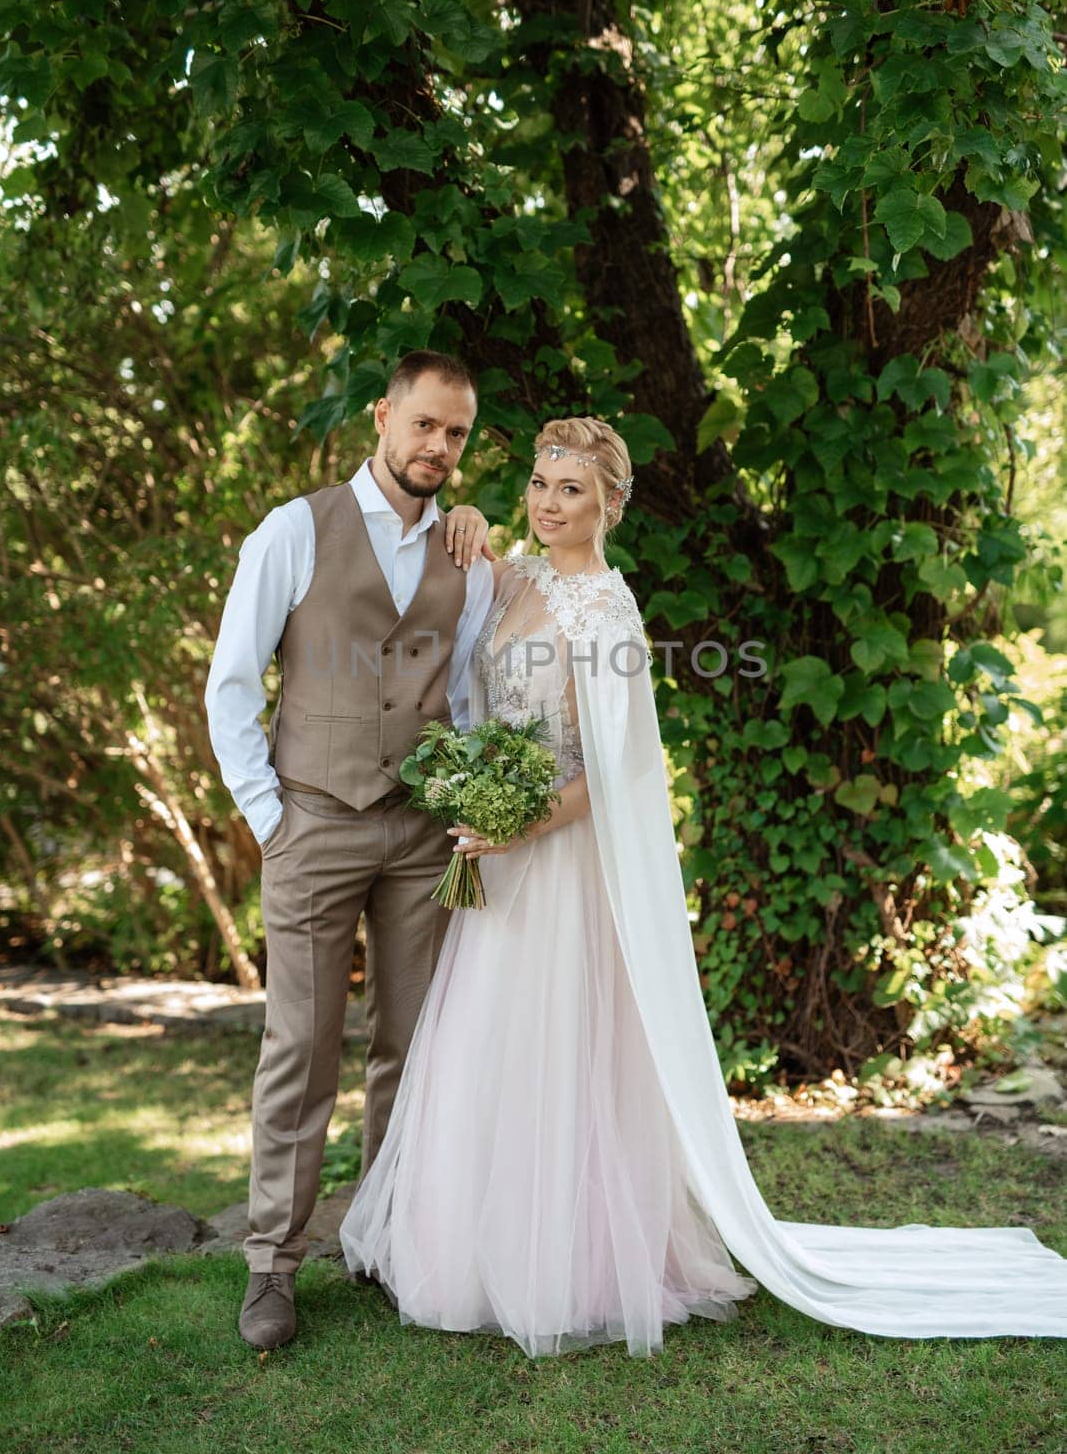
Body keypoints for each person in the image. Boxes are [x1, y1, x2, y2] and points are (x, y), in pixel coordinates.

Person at [339, 414, 1067, 1358]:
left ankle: (569, 1263)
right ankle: (471, 1249)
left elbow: (613, 772)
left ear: (610, 503)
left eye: (571, 489)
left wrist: (519, 822)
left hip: (556, 862)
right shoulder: (513, 578)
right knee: (483, 1046)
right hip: (497, 860)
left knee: (555, 1050)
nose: (550, 502)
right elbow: (455, 582)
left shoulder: (608, 611)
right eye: (539, 483)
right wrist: (471, 510)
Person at [204, 349, 498, 1351]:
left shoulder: (466, 551)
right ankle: (271, 1268)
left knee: (411, 1048)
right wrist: (271, 818)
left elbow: (462, 694)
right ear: (383, 416)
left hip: (420, 832)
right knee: (303, 1047)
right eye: (423, 424)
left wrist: (465, 801)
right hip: (314, 821)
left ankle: (383, 1240)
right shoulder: (297, 529)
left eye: (455, 433)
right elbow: (232, 682)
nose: (437, 448)